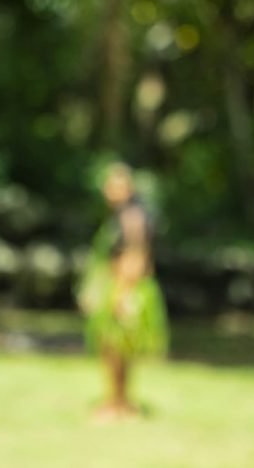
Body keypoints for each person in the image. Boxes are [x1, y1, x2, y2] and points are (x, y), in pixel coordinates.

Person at [77, 163, 168, 420]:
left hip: (126, 287)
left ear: (128, 188)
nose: (109, 191)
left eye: (115, 186)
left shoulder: (132, 216)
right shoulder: (119, 216)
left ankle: (117, 403)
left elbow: (136, 254)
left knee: (116, 349)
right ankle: (118, 402)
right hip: (117, 284)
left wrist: (123, 293)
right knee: (115, 349)